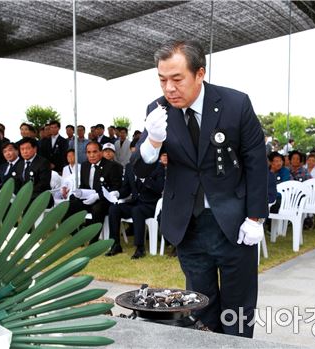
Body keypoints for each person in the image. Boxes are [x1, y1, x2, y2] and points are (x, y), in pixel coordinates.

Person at [132, 40, 267, 337]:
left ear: (199, 74)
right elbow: (140, 171)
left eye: (177, 79)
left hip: (234, 225)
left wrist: (255, 217)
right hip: (188, 225)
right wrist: (153, 142)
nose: (169, 88)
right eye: (162, 79)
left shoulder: (236, 104)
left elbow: (256, 162)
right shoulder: (158, 110)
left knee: (238, 309)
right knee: (198, 308)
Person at [64, 142, 123, 243]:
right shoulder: (84, 165)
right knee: (70, 203)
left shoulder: (112, 166)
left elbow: (116, 188)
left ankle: (93, 239)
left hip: (104, 200)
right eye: (89, 152)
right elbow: (84, 185)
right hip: (88, 198)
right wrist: (80, 192)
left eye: (95, 152)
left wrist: (98, 196)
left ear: (101, 152)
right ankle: (76, 235)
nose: (91, 155)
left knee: (97, 208)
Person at [106, 161, 165, 259]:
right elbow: (126, 188)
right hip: (135, 202)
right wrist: (118, 193)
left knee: (137, 211)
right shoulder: (129, 166)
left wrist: (145, 180)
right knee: (114, 209)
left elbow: (160, 188)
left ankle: (140, 248)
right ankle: (115, 245)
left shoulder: (158, 166)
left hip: (150, 204)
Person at [14, 137, 53, 207]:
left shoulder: (43, 162)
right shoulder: (19, 164)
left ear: (35, 149)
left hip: (39, 197)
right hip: (23, 197)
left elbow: (43, 183)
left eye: (27, 148)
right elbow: (17, 182)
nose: (25, 152)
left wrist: (27, 194)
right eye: (22, 149)